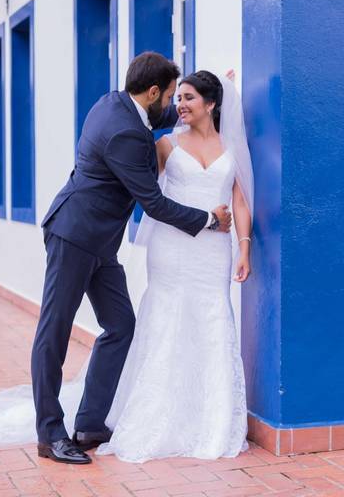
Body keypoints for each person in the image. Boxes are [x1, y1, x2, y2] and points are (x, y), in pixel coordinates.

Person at [32, 53, 233, 464]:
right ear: (154, 92)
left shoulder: (114, 104)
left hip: (100, 244)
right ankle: (50, 433)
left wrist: (218, 95)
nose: (174, 107)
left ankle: (89, 422)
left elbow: (165, 128)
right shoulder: (125, 132)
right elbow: (155, 204)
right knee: (54, 331)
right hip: (74, 236)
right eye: (172, 97)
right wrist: (209, 221)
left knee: (121, 325)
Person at [95, 70, 254, 462]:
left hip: (214, 251)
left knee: (212, 319)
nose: (179, 105)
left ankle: (210, 420)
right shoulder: (166, 144)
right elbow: (146, 193)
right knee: (166, 319)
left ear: (212, 104)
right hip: (171, 247)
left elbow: (240, 203)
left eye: (188, 98)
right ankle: (155, 416)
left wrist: (244, 249)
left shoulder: (231, 146)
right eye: (177, 97)